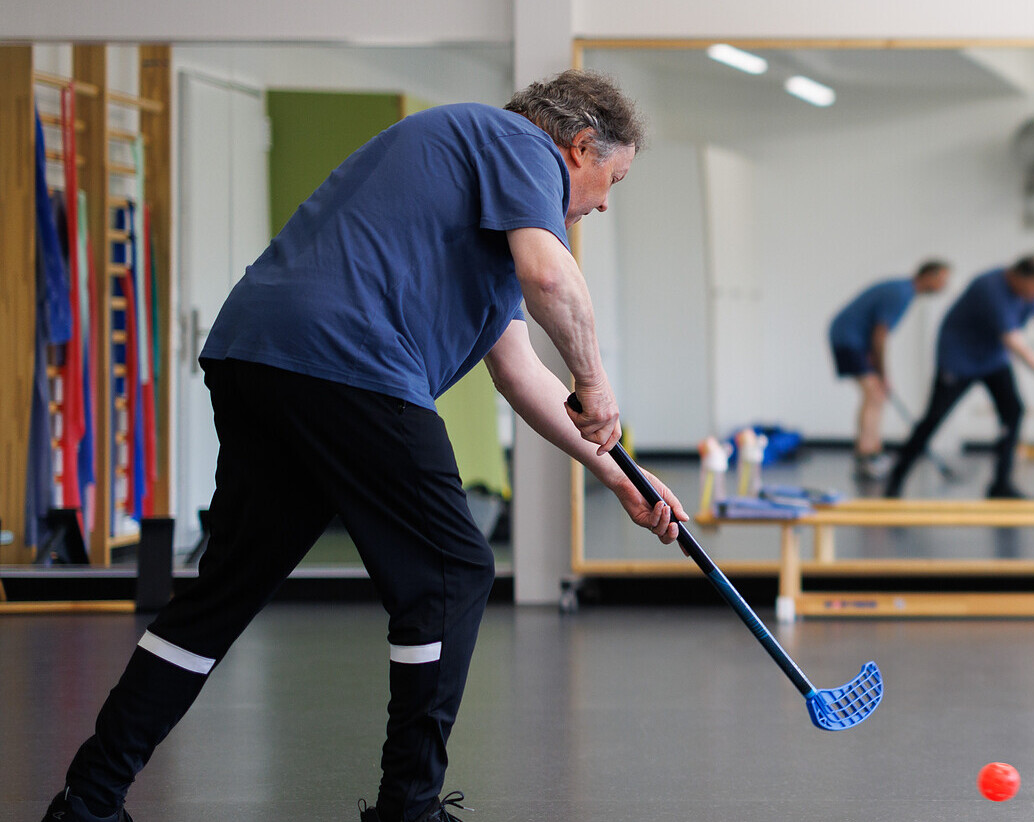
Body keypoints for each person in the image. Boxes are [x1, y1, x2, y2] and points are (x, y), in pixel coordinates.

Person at [42, 70, 686, 822]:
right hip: (347, 359)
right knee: (451, 570)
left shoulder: (478, 198)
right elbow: (553, 278)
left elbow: (519, 374)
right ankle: (408, 808)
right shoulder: (519, 145)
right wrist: (599, 383)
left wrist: (619, 478)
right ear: (579, 147)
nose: (604, 202)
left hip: (255, 354)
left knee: (221, 595)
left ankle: (87, 800)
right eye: (612, 179)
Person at [883, 254, 1034, 500]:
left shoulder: (1029, 291)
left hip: (992, 359)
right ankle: (895, 479)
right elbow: (1018, 347)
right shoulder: (990, 290)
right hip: (959, 359)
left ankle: (1001, 485)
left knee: (1013, 411)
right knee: (934, 418)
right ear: (1019, 276)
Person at [827, 259, 951, 480]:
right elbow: (880, 336)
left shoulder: (903, 290)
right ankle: (866, 457)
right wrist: (884, 374)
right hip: (848, 339)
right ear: (928, 276)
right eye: (942, 280)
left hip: (854, 340)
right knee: (874, 392)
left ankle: (872, 451)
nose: (944, 286)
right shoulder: (902, 294)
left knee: (876, 395)